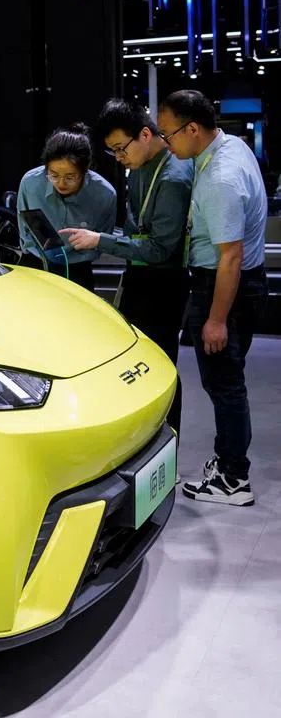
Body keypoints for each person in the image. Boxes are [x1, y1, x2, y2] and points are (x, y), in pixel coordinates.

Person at [156, 90, 268, 506]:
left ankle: (233, 479)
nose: (167, 144)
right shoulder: (231, 145)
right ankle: (227, 464)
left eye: (168, 135)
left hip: (225, 289)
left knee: (224, 385)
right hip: (240, 284)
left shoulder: (221, 177)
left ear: (193, 129)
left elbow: (231, 257)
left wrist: (216, 319)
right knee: (226, 383)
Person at [61, 99, 193, 433]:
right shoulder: (138, 167)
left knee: (160, 369)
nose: (119, 159)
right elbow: (138, 232)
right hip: (138, 277)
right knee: (134, 368)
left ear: (146, 134)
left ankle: (167, 447)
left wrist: (100, 240)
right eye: (113, 152)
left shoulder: (174, 176)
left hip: (164, 283)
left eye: (121, 149)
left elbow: (161, 249)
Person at [16, 124, 117, 292]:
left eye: (70, 177)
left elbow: (101, 242)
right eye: (54, 175)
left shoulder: (104, 195)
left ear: (86, 170)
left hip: (78, 269)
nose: (61, 183)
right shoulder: (31, 184)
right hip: (37, 264)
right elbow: (26, 234)